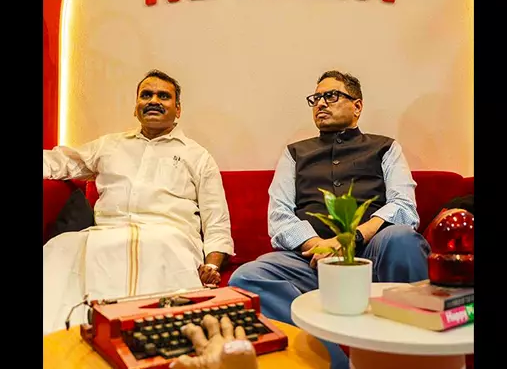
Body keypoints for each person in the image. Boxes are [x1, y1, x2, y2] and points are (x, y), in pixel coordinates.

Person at [228, 70, 430, 369]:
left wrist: (351, 239)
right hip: (312, 260)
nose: (321, 103)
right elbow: (280, 216)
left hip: (372, 252)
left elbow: (404, 207)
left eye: (331, 96)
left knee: (402, 238)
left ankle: (414, 353)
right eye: (316, 98)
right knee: (247, 278)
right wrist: (320, 246)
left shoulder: (386, 147)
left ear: (357, 106)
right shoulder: (295, 154)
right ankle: (333, 361)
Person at [42, 70, 234, 335]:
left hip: (168, 239)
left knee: (151, 247)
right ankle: (61, 339)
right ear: (136, 107)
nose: (153, 100)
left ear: (178, 109)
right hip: (106, 234)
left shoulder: (197, 156)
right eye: (146, 95)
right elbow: (61, 162)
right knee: (61, 246)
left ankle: (138, 338)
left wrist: (211, 266)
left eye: (163, 96)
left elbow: (217, 220)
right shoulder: (109, 145)